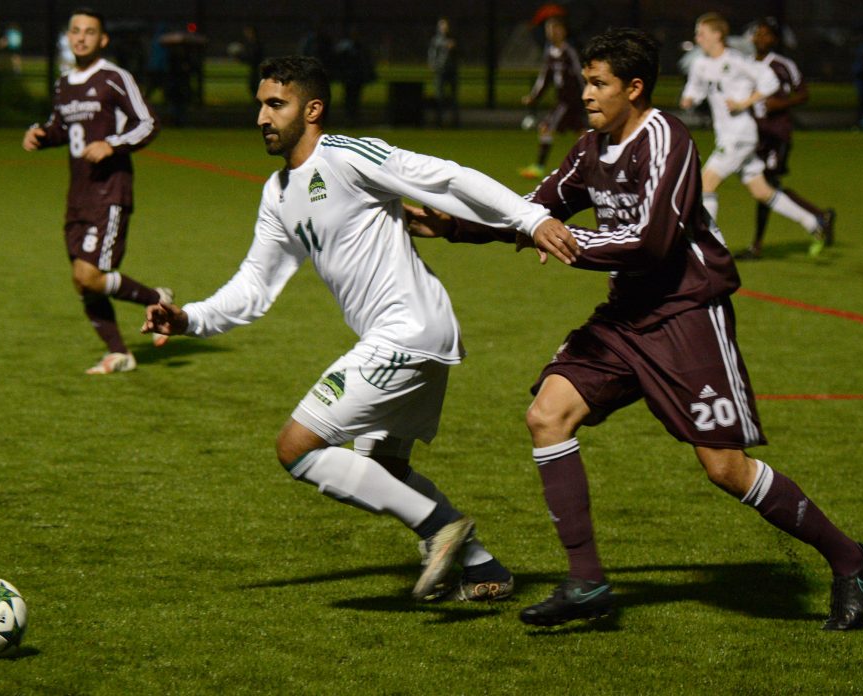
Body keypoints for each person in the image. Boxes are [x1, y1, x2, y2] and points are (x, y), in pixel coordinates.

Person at [407, 28, 863, 630]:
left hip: (685, 313)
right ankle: (587, 583)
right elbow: (533, 212)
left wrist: (567, 240)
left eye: (599, 84)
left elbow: (653, 243)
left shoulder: (667, 139)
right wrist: (455, 226)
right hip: (625, 319)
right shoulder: (588, 148)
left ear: (634, 87)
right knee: (548, 414)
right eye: (586, 82)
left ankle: (851, 559)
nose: (588, 93)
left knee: (725, 468)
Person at [142, 55, 557, 601]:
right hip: (410, 337)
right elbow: (254, 285)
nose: (262, 118)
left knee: (296, 447)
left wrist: (532, 217)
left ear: (312, 110)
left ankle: (440, 529)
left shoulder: (346, 156)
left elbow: (446, 177)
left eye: (276, 105)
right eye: (260, 105)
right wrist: (189, 317)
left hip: (405, 332)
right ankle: (485, 569)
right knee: (383, 465)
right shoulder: (278, 193)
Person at [22, 8, 172, 375]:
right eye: (76, 31)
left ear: (102, 39)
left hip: (110, 190)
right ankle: (119, 353)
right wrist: (41, 135)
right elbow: (61, 128)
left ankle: (158, 299)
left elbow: (148, 123)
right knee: (81, 278)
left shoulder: (114, 78)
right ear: (68, 36)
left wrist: (112, 144)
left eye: (90, 32)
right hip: (78, 194)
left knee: (90, 275)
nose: (82, 37)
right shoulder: (64, 83)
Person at [680, 13, 833, 258]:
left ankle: (708, 249)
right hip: (726, 136)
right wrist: (689, 99)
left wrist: (746, 102)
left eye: (702, 33)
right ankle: (813, 223)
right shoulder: (701, 64)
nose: (697, 37)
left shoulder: (738, 61)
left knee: (705, 184)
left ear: (717, 35)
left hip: (740, 134)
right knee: (761, 191)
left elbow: (770, 81)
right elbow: (695, 88)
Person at [735, 18, 835, 260]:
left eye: (766, 35)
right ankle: (820, 217)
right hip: (754, 135)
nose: (760, 38)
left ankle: (757, 246)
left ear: (775, 39)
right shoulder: (745, 65)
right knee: (768, 187)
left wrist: (780, 103)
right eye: (757, 34)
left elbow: (803, 94)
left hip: (776, 134)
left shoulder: (782, 65)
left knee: (766, 186)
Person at [518, 16, 586, 179]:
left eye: (555, 29)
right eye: (549, 30)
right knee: (583, 134)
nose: (552, 33)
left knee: (546, 127)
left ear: (563, 31)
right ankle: (597, 164)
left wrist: (587, 95)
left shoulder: (569, 52)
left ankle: (538, 167)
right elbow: (545, 78)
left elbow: (580, 74)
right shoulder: (550, 52)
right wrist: (534, 96)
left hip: (569, 101)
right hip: (564, 101)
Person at [427, 17, 459, 127]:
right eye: (442, 26)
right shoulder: (436, 40)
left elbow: (459, 53)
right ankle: (439, 121)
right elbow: (432, 53)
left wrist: (453, 47)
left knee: (454, 97)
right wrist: (432, 64)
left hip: (451, 71)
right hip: (440, 71)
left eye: (446, 26)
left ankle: (455, 121)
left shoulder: (453, 39)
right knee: (439, 97)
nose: (444, 28)